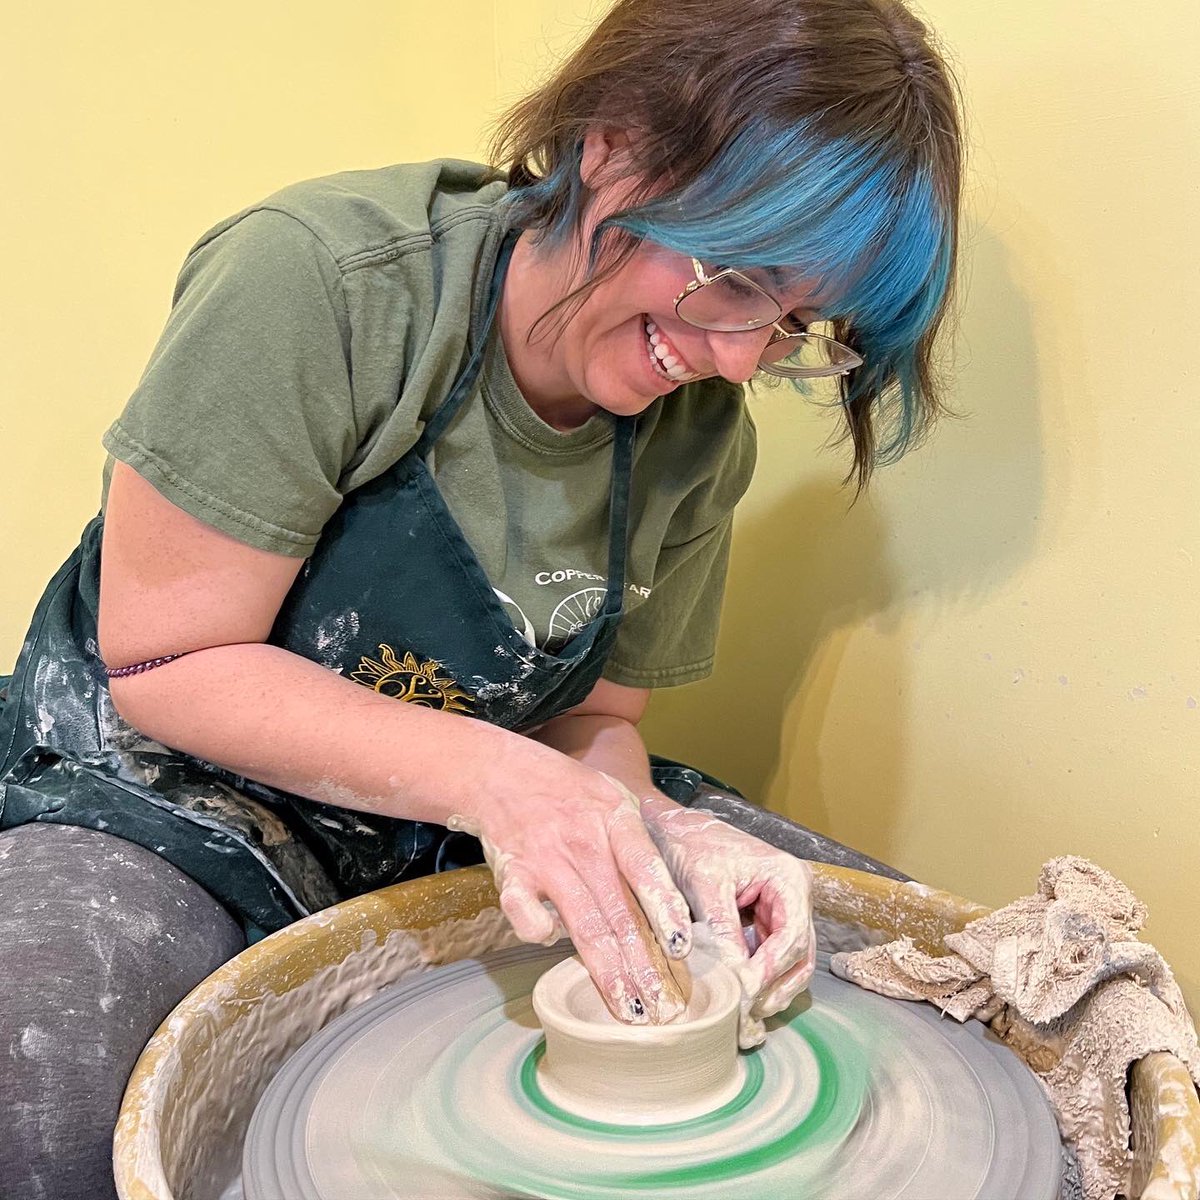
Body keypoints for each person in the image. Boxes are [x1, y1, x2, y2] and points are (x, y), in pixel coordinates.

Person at [0, 0, 963, 1194]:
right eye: (741, 281)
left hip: (450, 816)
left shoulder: (700, 434)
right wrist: (505, 782)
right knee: (35, 1120)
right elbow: (164, 661)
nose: (736, 360)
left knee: (934, 965)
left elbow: (592, 724)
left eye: (798, 324)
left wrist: (655, 833)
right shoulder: (323, 281)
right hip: (161, 791)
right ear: (611, 144)